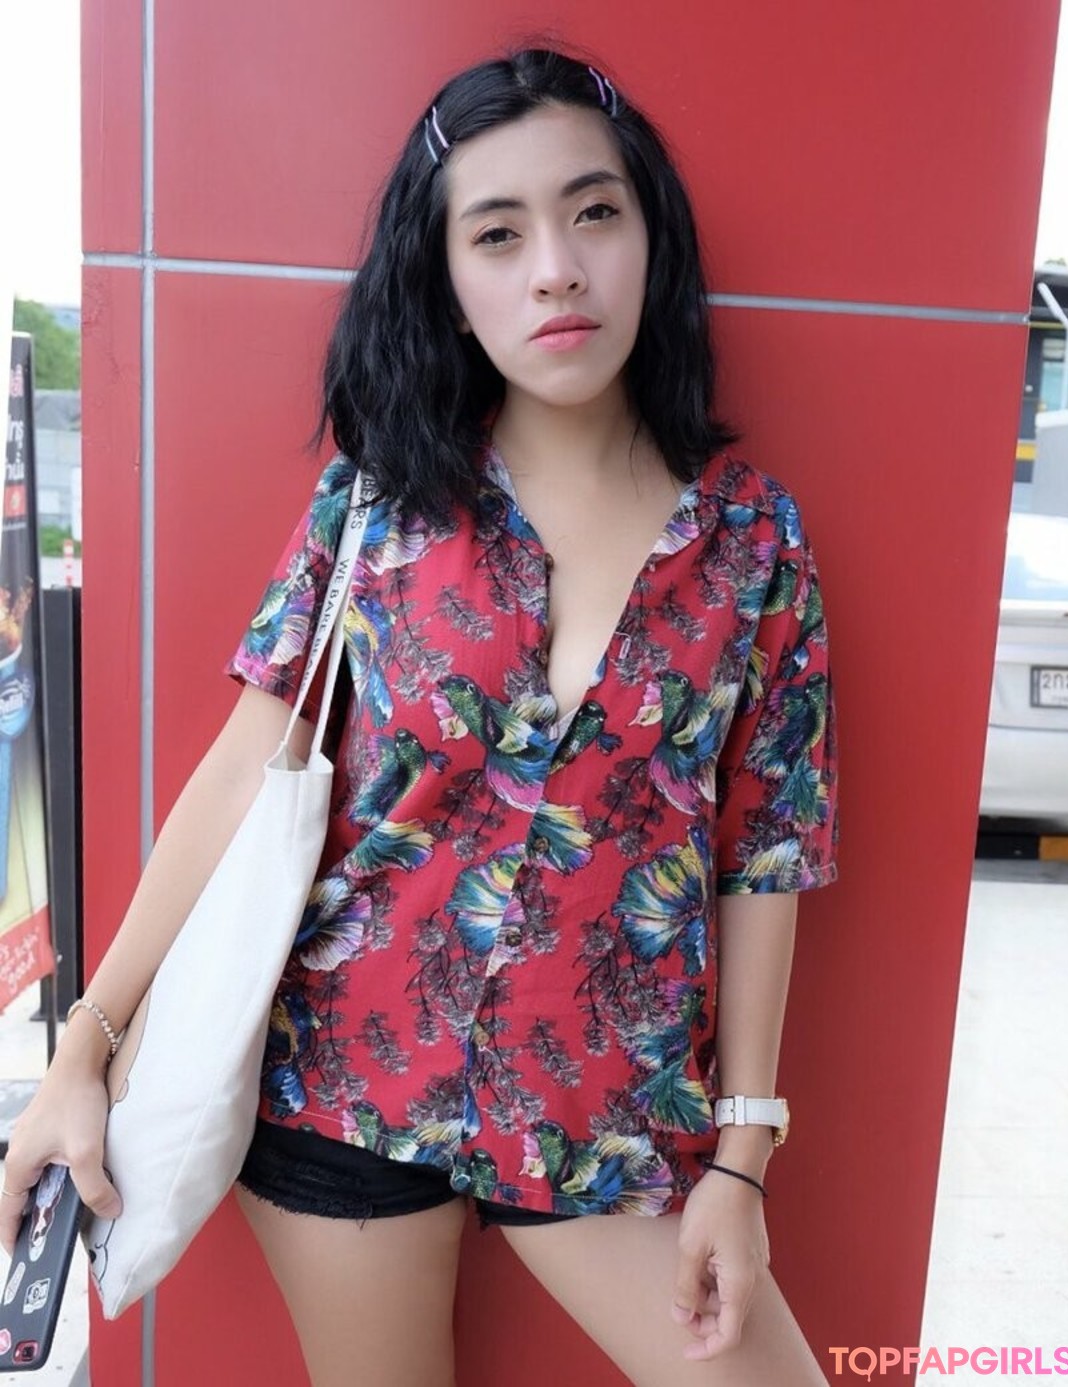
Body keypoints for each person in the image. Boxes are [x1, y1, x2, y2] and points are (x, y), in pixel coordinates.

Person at [1, 46, 839, 1387]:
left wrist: (741, 1160)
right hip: (345, 1084)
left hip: (609, 1110)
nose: (556, 269)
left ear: (651, 238)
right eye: (497, 234)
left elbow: (766, 856)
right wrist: (81, 1050)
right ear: (446, 283)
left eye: (594, 212)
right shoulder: (380, 499)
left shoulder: (753, 543)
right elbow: (248, 763)